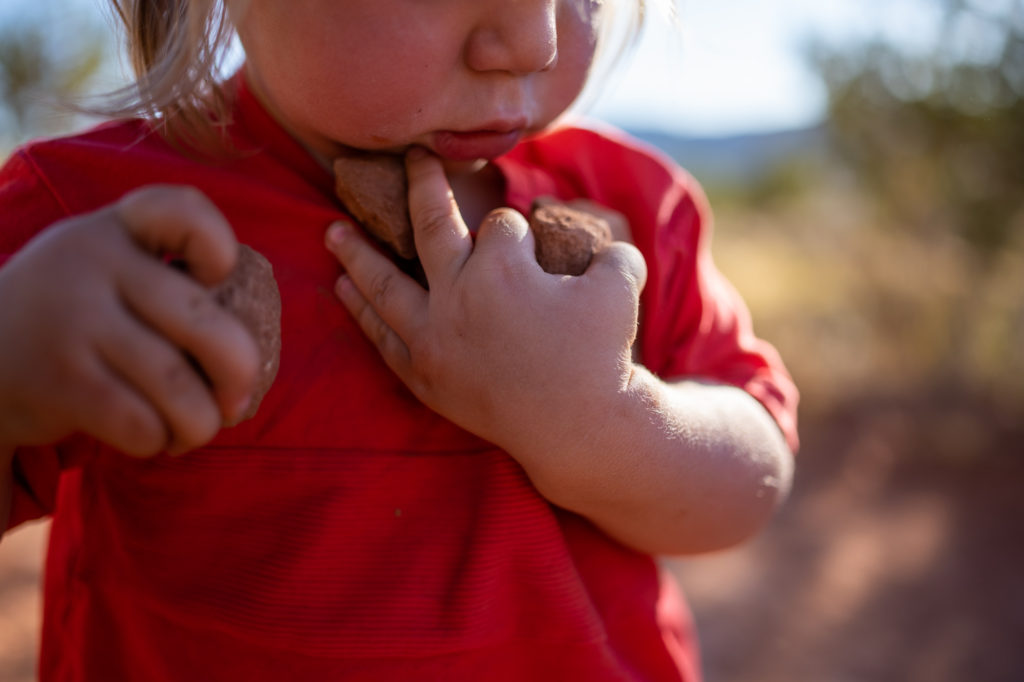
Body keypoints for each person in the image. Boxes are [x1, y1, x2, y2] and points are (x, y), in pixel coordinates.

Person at [0, 0, 799, 679]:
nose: (533, 41)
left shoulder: (631, 209)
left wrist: (601, 418)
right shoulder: (93, 219)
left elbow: (753, 472)